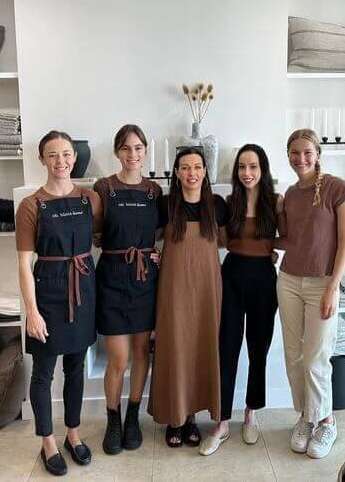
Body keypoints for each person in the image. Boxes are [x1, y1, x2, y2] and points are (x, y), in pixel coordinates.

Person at [16, 130, 97, 476]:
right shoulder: (31, 205)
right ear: (42, 159)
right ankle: (48, 441)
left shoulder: (90, 199)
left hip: (84, 288)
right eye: (53, 155)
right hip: (48, 291)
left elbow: (104, 238)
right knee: (44, 372)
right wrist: (32, 312)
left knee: (76, 368)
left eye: (66, 154)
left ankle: (73, 435)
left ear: (74, 158)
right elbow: (24, 263)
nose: (60, 161)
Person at [199, 144, 282, 455]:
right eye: (242, 167)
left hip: (264, 280)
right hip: (231, 276)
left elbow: (287, 237)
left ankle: (251, 413)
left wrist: (270, 251)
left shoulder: (276, 202)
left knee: (259, 349)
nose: (247, 173)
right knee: (227, 349)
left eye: (253, 167)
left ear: (263, 170)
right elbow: (222, 241)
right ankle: (221, 423)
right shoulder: (229, 203)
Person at [277, 128, 345, 459]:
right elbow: (289, 240)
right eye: (294, 152)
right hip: (288, 281)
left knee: (315, 358)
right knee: (294, 356)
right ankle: (306, 417)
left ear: (318, 154)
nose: (301, 158)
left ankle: (327, 421)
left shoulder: (337, 188)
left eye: (307, 152)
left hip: (323, 283)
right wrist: (252, 242)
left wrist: (332, 287)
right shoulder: (290, 195)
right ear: (288, 155)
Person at [147, 147, 228, 447]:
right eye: (185, 167)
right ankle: (175, 417)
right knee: (175, 347)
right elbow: (149, 237)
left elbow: (228, 241)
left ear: (205, 172)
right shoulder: (165, 205)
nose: (191, 173)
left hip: (207, 288)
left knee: (201, 347)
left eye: (197, 167)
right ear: (177, 172)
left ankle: (191, 416)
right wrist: (151, 254)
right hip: (173, 287)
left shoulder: (217, 205)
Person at [91, 124, 161, 455]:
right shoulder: (104, 188)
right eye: (126, 148)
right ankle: (113, 419)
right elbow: (95, 234)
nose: (133, 154)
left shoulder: (154, 191)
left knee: (141, 352)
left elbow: (161, 231)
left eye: (138, 148)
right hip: (113, 278)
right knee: (118, 359)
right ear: (117, 152)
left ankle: (133, 416)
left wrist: (157, 254)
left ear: (145, 151)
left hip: (146, 279)